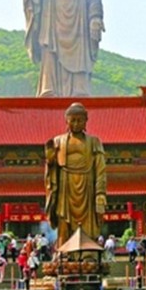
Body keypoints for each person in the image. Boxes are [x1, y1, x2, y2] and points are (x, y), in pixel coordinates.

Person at [44, 102, 107, 248]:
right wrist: (50, 162)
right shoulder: (58, 141)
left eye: (80, 120)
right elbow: (52, 169)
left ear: (86, 121)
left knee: (88, 222)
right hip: (65, 186)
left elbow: (100, 169)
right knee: (64, 222)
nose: (76, 124)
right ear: (66, 121)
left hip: (87, 186)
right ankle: (63, 250)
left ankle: (88, 251)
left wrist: (100, 193)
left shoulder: (94, 142)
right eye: (72, 120)